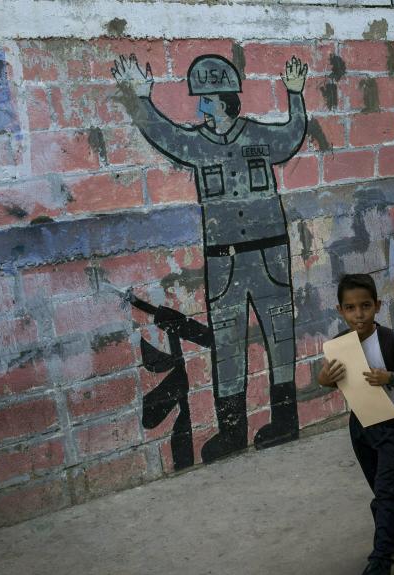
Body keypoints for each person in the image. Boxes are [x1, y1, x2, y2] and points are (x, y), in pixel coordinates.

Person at [112, 53, 309, 456]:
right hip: (224, 259)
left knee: (280, 336)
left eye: (205, 101)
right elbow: (166, 136)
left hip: (269, 253)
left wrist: (295, 94)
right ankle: (233, 432)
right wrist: (141, 100)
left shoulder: (257, 136)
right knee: (228, 341)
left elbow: (291, 135)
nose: (200, 108)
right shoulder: (198, 145)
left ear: (223, 101)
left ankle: (285, 422)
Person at [316, 274, 394, 575]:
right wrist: (324, 377)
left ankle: (380, 561)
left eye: (365, 306)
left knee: (385, 493)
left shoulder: (392, 341)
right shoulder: (339, 345)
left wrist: (388, 377)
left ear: (377, 306)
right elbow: (327, 380)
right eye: (350, 308)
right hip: (361, 426)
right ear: (341, 310)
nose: (359, 314)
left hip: (393, 424)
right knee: (383, 489)